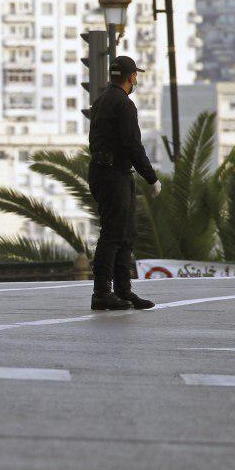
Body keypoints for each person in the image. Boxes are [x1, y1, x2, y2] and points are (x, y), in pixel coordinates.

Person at [86, 55, 161, 311]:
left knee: (124, 233)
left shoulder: (101, 101)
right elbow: (132, 145)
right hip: (114, 175)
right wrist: (151, 177)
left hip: (103, 172)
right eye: (135, 76)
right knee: (114, 234)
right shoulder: (124, 104)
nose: (136, 79)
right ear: (130, 77)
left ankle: (123, 291)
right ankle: (103, 292)